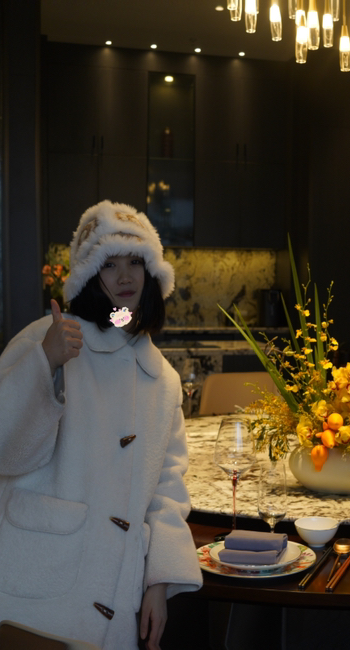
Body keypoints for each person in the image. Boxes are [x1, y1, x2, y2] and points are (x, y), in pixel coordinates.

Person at [0, 201, 202, 650]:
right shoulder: (47, 338)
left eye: (135, 262)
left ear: (151, 273)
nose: (125, 276)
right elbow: (6, 451)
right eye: (110, 264)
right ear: (91, 274)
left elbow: (167, 491)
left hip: (117, 594)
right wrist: (45, 362)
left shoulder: (163, 380)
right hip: (36, 586)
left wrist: (159, 582)